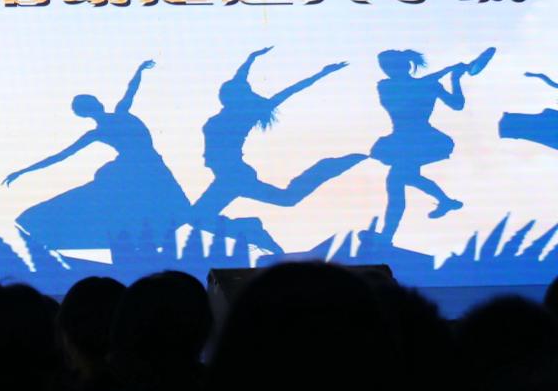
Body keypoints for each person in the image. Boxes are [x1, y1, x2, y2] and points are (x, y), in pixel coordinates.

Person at [2, 60, 189, 258]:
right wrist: (22, 171)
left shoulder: (114, 118)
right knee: (131, 210)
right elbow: (60, 156)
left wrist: (139, 71)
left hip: (145, 169)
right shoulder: (111, 120)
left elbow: (131, 89)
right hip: (142, 169)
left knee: (156, 211)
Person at [191, 47, 365, 252]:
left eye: (226, 92)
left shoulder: (244, 115)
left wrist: (321, 74)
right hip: (230, 175)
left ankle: (250, 228)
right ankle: (250, 227)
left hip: (232, 176)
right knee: (286, 199)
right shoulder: (230, 113)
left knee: (198, 219)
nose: (222, 94)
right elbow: (239, 78)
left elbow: (290, 91)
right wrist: (251, 59)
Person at [367, 47, 492, 241]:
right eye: (383, 66)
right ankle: (445, 201)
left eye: (387, 66)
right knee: (406, 178)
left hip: (419, 140)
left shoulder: (427, 85)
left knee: (396, 182)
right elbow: (412, 89)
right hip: (406, 141)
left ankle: (387, 236)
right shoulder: (387, 86)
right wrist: (447, 71)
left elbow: (457, 105)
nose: (385, 70)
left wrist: (454, 79)